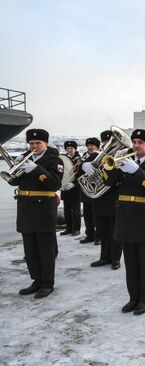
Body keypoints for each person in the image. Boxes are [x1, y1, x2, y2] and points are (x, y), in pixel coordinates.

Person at [103, 129, 145, 315]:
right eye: (134, 141)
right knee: (130, 262)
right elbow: (109, 183)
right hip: (125, 216)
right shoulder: (124, 160)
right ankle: (133, 297)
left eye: (140, 142)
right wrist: (112, 165)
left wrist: (137, 171)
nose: (136, 145)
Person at [9, 128, 63, 299]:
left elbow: (54, 184)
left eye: (38, 143)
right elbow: (13, 181)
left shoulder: (55, 160)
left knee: (45, 248)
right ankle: (36, 280)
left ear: (45, 143)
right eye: (31, 143)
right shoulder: (26, 158)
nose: (34, 146)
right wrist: (15, 167)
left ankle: (47, 283)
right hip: (25, 207)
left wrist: (37, 169)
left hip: (44, 209)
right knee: (30, 248)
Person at [83, 131, 121, 270]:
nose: (106, 144)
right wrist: (83, 166)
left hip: (114, 198)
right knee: (103, 231)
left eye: (109, 141)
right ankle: (104, 257)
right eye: (105, 142)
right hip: (99, 199)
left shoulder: (120, 158)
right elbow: (81, 173)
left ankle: (115, 259)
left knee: (114, 231)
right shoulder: (95, 156)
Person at [79, 137, 100, 244]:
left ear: (97, 147)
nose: (90, 147)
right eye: (88, 146)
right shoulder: (84, 157)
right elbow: (78, 173)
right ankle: (89, 235)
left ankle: (99, 236)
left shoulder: (100, 156)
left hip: (97, 190)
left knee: (96, 215)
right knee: (87, 215)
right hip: (86, 191)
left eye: (92, 146)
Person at [59, 140, 81, 236]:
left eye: (71, 148)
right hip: (65, 187)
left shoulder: (79, 159)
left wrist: (74, 184)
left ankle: (76, 229)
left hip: (75, 188)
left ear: (75, 149)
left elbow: (80, 174)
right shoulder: (63, 158)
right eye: (68, 148)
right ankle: (68, 228)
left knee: (75, 210)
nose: (69, 150)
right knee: (66, 209)